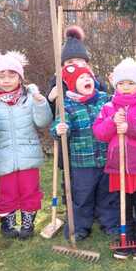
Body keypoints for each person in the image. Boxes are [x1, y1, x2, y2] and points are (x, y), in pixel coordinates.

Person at [93, 58, 136, 259]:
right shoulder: (108, 107)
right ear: (116, 85)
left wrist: (130, 128)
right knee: (124, 204)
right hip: (118, 167)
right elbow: (99, 133)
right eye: (121, 83)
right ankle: (126, 241)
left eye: (130, 83)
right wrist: (112, 122)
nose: (125, 87)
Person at [0, 50, 52, 239]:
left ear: (20, 77)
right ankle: (8, 223)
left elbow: (43, 122)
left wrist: (40, 103)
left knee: (30, 190)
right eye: (1, 76)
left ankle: (28, 223)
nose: (6, 80)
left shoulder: (29, 99)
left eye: (11, 75)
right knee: (7, 192)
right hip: (2, 156)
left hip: (28, 154)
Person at [50, 64, 118, 241]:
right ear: (72, 85)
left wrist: (116, 86)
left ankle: (110, 224)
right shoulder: (68, 106)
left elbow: (121, 104)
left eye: (89, 77)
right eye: (81, 78)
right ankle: (80, 227)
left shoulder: (104, 100)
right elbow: (56, 126)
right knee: (82, 195)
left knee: (108, 194)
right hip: (82, 162)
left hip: (106, 158)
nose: (87, 80)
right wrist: (59, 129)